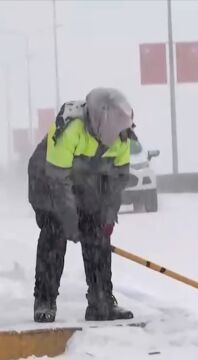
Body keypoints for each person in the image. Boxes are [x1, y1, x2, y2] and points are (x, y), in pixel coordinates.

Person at [28, 88, 136, 322]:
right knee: (54, 230)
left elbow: (117, 181)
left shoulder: (122, 137)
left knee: (98, 235)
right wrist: (71, 224)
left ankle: (101, 302)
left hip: (85, 183)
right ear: (100, 122)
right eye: (115, 129)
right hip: (47, 180)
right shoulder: (70, 129)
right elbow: (57, 182)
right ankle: (45, 300)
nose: (119, 135)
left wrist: (107, 216)